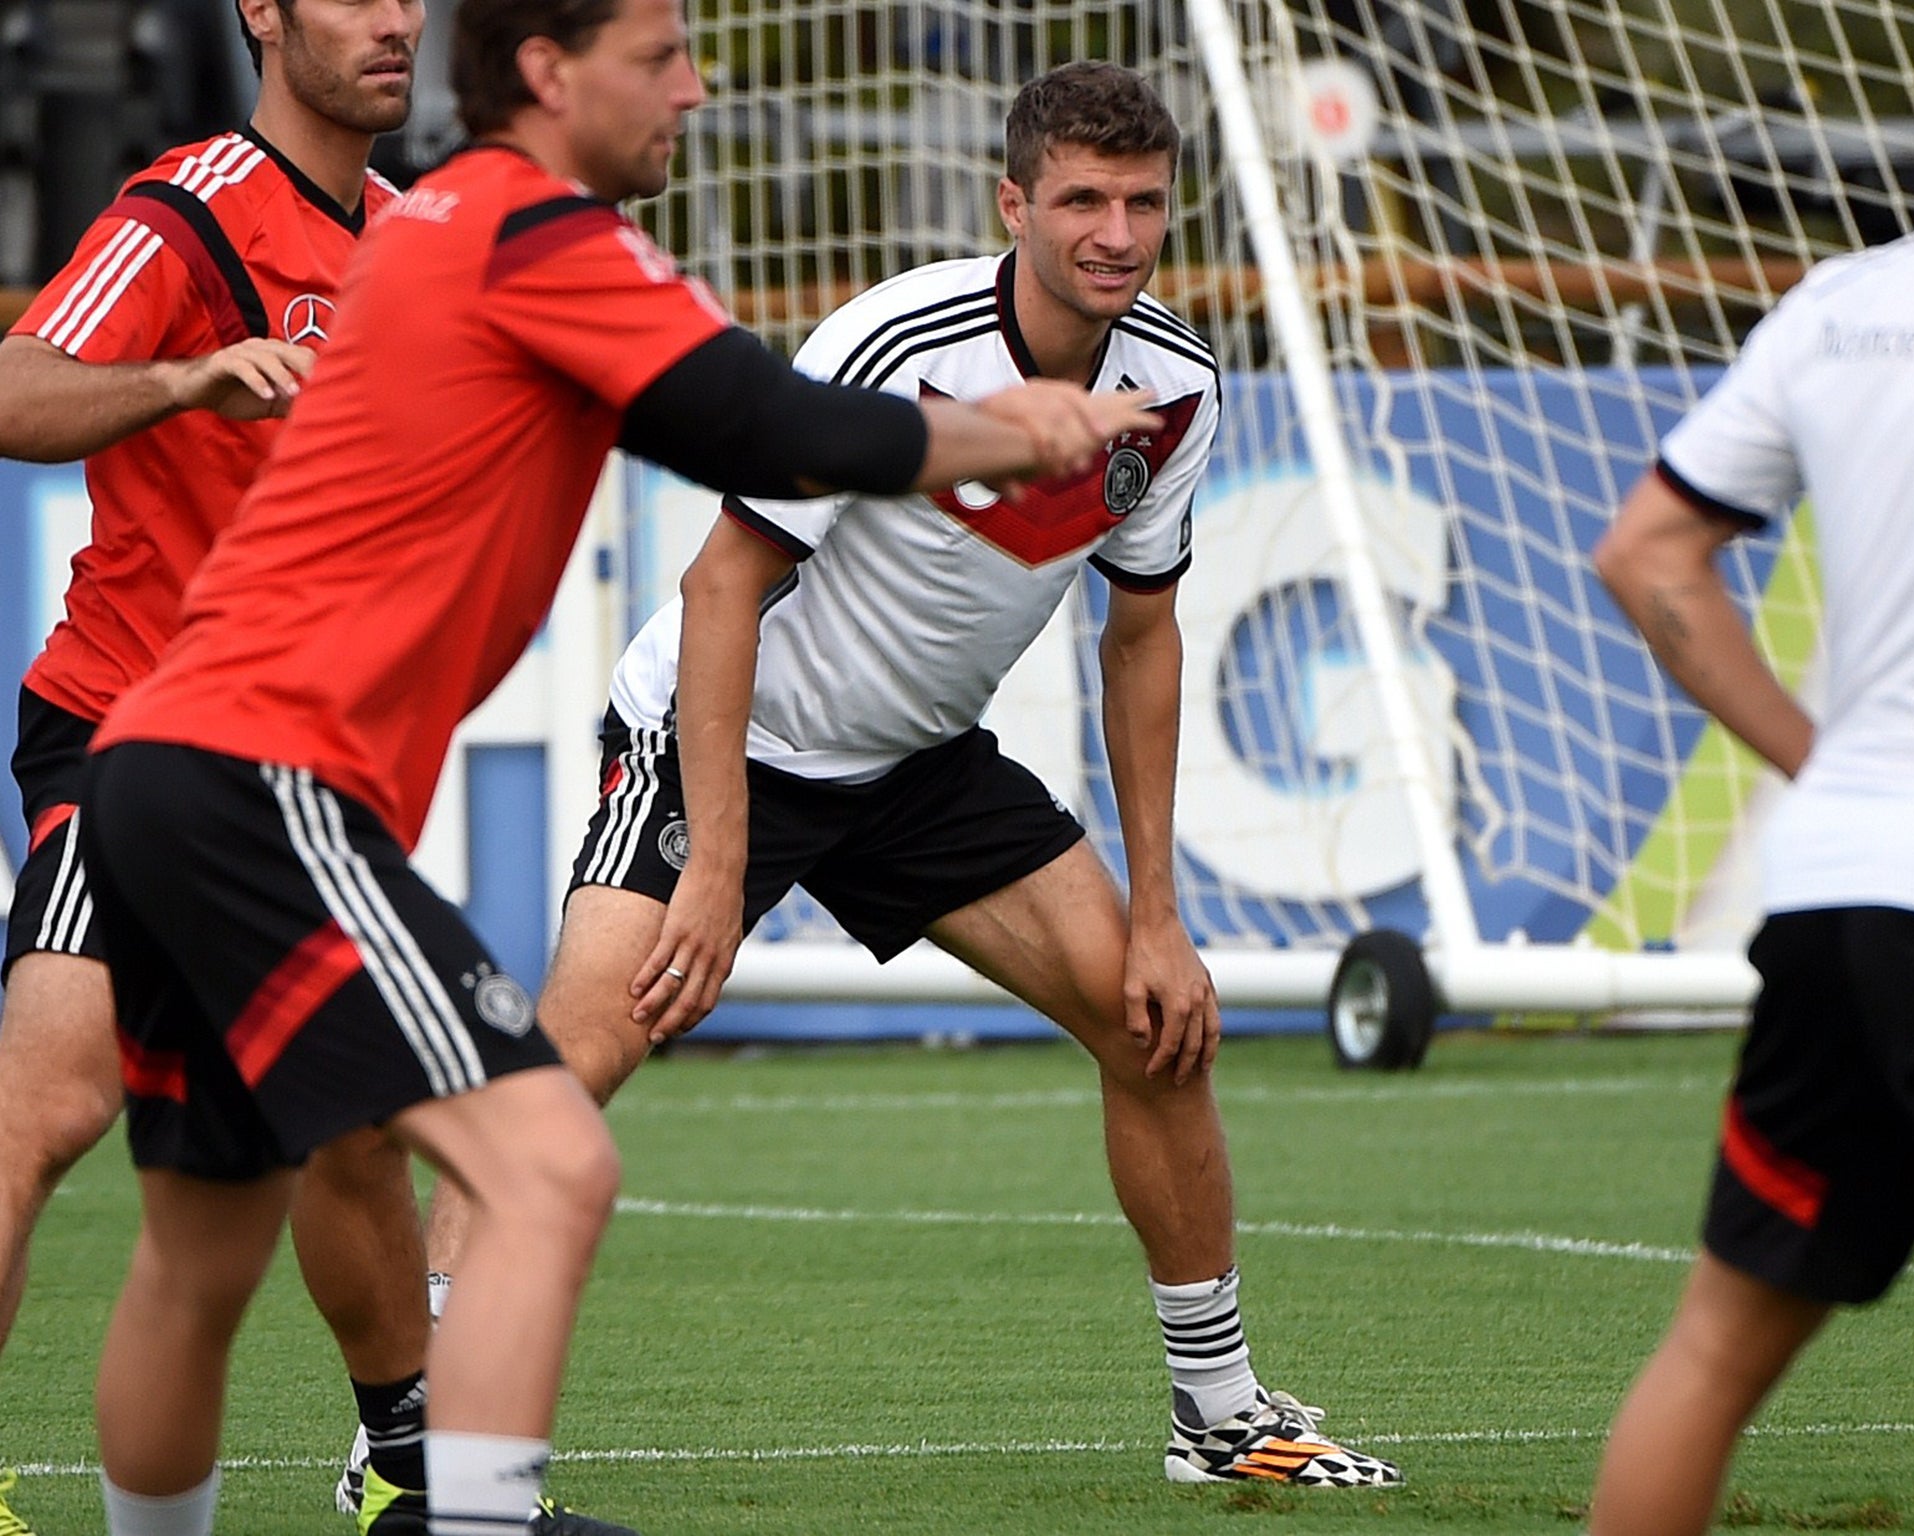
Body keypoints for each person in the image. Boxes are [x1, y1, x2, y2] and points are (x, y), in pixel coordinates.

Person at [69, 0, 1158, 1530]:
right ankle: (481, 1523)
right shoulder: (533, 232)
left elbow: (705, 423)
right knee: (547, 1163)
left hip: (168, 766)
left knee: (200, 1252)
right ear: (544, 73)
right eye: (659, 57)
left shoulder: (429, 222)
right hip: (257, 780)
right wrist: (1015, 432)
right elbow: (770, 433)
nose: (693, 89)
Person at [426, 59, 1406, 1491]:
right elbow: (718, 592)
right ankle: (412, 1435)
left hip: (918, 765)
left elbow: (1143, 644)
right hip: (723, 736)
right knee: (563, 1075)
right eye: (1081, 200)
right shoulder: (902, 340)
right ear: (1015, 202)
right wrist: (711, 866)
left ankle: (1222, 1417)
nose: (1117, 234)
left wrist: (1159, 912)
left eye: (1142, 203)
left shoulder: (1174, 385)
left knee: (1157, 1028)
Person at [0, 3, 467, 1532]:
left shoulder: (414, 242)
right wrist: (186, 382)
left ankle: (416, 1481)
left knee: (351, 1124)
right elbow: (15, 390)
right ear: (262, 13)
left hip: (288, 774)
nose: (396, 18)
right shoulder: (189, 210)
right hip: (126, 740)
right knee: (45, 1103)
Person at [1587, 2, 1914, 1529]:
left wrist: (1823, 758)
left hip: (1848, 894)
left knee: (1718, 1346)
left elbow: (1647, 554)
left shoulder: (1836, 305)